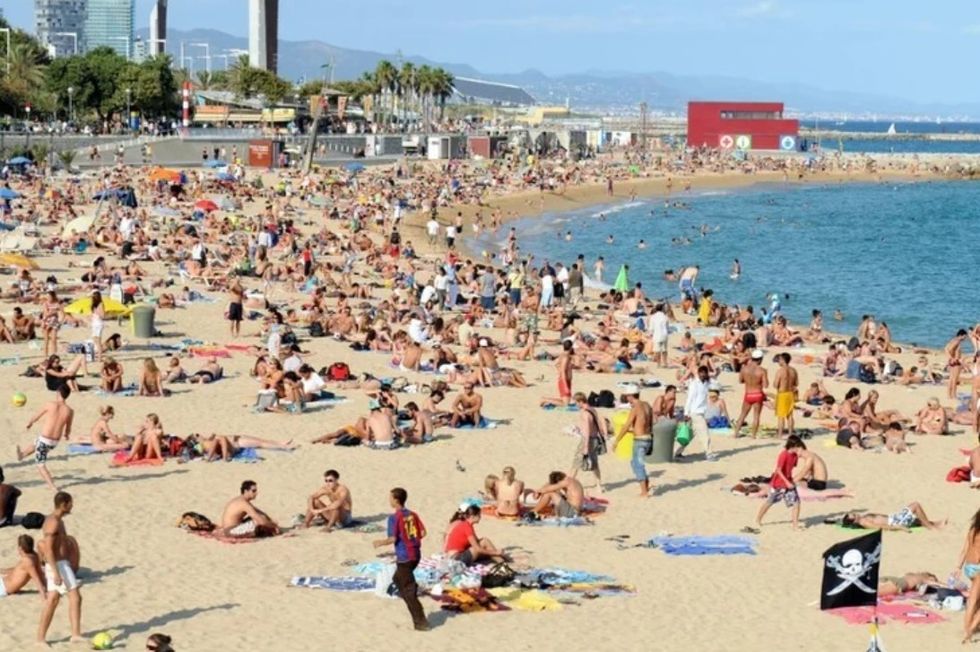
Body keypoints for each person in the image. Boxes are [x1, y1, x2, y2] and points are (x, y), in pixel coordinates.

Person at [372, 488, 429, 632]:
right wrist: (412, 540)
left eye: (390, 497)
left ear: (396, 500)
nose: (389, 500)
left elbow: (393, 538)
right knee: (397, 579)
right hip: (416, 554)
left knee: (409, 592)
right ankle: (410, 590)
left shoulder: (394, 517)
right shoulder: (413, 514)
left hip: (405, 557)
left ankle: (421, 623)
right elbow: (423, 532)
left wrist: (380, 542)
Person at [38, 491, 83, 646]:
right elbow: (48, 549)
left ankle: (75, 635)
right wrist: (56, 572)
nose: (72, 506)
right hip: (56, 565)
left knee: (61, 599)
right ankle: (42, 639)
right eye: (70, 503)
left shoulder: (58, 520)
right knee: (67, 598)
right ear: (64, 504)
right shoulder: (53, 523)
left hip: (61, 564)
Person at [16, 384, 74, 491]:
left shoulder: (50, 404)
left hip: (45, 440)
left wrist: (30, 423)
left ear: (58, 393)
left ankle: (52, 486)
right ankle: (22, 455)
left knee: (40, 464)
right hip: (54, 442)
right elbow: (68, 428)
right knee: (37, 442)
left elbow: (37, 416)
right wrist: (66, 435)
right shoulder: (69, 411)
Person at [752, 435, 805, 532]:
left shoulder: (795, 456)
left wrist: (792, 481)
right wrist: (786, 482)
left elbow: (791, 468)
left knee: (796, 502)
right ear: (792, 446)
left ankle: (795, 526)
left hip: (789, 482)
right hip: (779, 483)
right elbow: (779, 470)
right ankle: (758, 519)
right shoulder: (783, 455)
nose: (798, 449)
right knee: (770, 502)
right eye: (797, 446)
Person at [612, 384, 653, 497]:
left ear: (630, 396)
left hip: (639, 440)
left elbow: (626, 425)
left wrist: (617, 441)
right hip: (648, 438)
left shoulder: (635, 408)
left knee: (638, 465)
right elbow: (648, 422)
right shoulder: (647, 405)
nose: (627, 398)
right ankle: (646, 484)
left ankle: (644, 492)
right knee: (635, 463)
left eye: (627, 396)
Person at [570, 392, 606, 493]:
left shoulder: (585, 414)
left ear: (580, 402)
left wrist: (585, 447)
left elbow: (586, 431)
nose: (576, 405)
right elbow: (601, 420)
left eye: (576, 403)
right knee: (594, 464)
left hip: (588, 440)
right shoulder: (592, 409)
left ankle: (568, 484)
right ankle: (599, 485)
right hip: (595, 439)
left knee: (576, 463)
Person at [731, 349, 769, 438]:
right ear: (760, 359)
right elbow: (766, 385)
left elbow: (740, 381)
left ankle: (736, 433)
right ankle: (753, 436)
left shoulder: (744, 369)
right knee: (756, 416)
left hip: (748, 393)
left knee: (742, 414)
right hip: (758, 394)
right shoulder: (762, 370)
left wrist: (748, 380)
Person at [678, 365, 714, 460]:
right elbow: (689, 399)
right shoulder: (694, 384)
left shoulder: (706, 383)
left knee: (689, 435)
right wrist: (686, 413)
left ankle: (677, 452)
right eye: (700, 373)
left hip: (701, 412)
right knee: (705, 434)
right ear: (698, 373)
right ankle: (709, 453)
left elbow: (714, 378)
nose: (702, 375)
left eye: (704, 373)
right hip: (695, 413)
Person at [841, 502, 947, 531]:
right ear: (854, 521)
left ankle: (936, 523)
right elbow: (880, 527)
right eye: (855, 515)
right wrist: (899, 527)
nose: (857, 514)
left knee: (916, 517)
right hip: (895, 522)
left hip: (894, 517)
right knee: (915, 505)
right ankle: (931, 527)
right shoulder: (864, 522)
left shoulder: (863, 518)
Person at [0, 535, 46, 599]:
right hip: (2, 582)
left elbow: (36, 578)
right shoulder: (34, 556)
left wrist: (43, 594)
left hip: (3, 588)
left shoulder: (27, 561)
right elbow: (18, 571)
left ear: (20, 548)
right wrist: (2, 570)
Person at [960, 508, 980, 643]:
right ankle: (969, 631)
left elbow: (964, 550)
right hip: (978, 569)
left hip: (968, 567)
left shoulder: (972, 531)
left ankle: (968, 628)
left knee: (974, 600)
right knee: (973, 602)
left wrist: (957, 568)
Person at [773, 352, 798, 437]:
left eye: (779, 360)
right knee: (790, 415)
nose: (778, 362)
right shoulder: (793, 370)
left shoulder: (780, 371)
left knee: (781, 416)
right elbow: (796, 383)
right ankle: (790, 433)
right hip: (790, 394)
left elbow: (776, 384)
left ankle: (780, 434)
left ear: (783, 360)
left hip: (782, 394)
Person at [648, 303, 669, 368]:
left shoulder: (653, 317)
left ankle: (658, 364)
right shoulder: (665, 317)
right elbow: (667, 326)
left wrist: (650, 334)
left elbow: (651, 328)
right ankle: (665, 363)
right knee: (664, 350)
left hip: (657, 335)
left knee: (657, 350)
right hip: (664, 335)